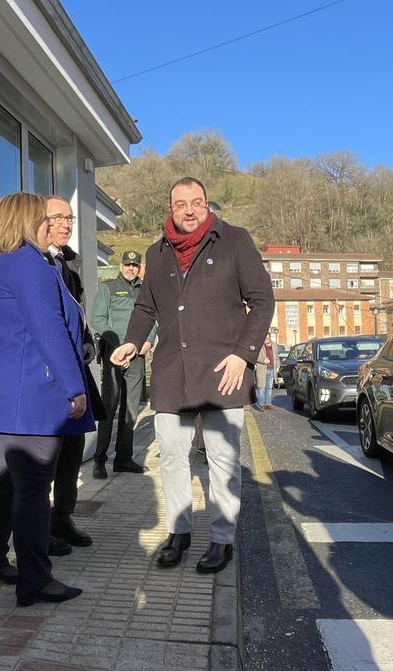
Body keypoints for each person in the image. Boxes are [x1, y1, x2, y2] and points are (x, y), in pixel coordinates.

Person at [111, 177, 274, 574]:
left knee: (222, 460)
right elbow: (146, 307)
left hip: (224, 372)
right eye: (180, 203)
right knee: (171, 457)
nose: (188, 210)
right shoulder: (157, 252)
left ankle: (222, 540)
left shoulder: (234, 240)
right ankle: (179, 532)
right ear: (170, 208)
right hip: (171, 371)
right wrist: (133, 341)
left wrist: (244, 356)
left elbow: (263, 299)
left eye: (196, 203)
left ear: (206, 206)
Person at [0, 192, 92, 607]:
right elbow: (49, 330)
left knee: (11, 484)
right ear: (26, 222)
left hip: (9, 397)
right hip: (30, 398)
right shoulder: (29, 266)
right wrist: (75, 388)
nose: (48, 225)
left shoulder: (7, 265)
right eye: (42, 219)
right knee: (34, 488)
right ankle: (36, 579)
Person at [43, 195, 105, 555]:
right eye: (58, 218)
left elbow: (75, 316)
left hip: (76, 370)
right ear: (41, 222)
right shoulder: (36, 263)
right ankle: (40, 527)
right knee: (47, 456)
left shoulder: (69, 266)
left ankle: (62, 517)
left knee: (73, 449)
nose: (67, 224)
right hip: (52, 377)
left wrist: (87, 342)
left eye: (70, 218)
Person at [89, 250, 155, 478]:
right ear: (120, 266)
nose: (131, 268)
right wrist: (120, 345)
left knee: (131, 410)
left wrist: (148, 341)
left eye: (135, 265)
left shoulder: (145, 290)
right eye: (127, 264)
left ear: (139, 268)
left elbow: (152, 319)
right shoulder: (107, 289)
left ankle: (123, 459)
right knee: (109, 408)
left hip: (136, 357)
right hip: (114, 355)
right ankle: (99, 460)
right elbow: (97, 319)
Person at [255, 336, 277, 411]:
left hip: (271, 369)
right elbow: (255, 356)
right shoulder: (259, 345)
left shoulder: (274, 345)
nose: (266, 340)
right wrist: (263, 360)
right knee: (262, 388)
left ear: (270, 338)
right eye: (265, 338)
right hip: (262, 369)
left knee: (269, 388)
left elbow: (276, 357)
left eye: (268, 338)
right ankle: (262, 405)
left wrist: (277, 366)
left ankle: (268, 404)